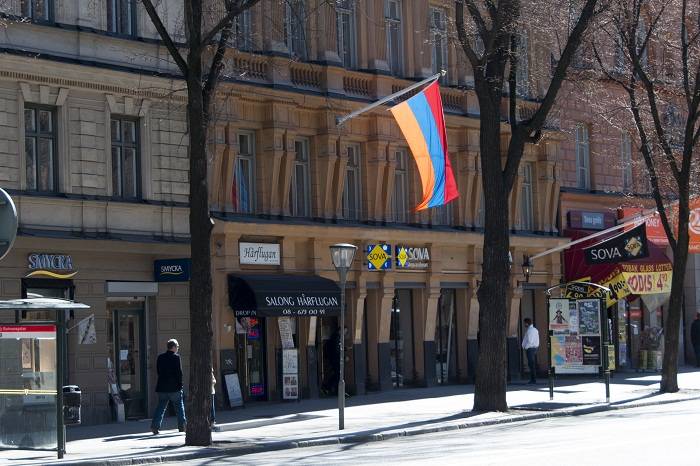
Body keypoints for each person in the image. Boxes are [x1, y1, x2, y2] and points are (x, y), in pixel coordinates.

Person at [151, 339, 186, 435]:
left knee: (160, 407)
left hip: (162, 387)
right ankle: (182, 426)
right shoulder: (176, 357)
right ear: (173, 347)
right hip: (174, 387)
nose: (178, 348)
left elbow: (158, 371)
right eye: (177, 347)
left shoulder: (160, 357)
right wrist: (180, 385)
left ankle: (155, 426)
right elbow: (179, 373)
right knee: (179, 407)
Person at [522, 318, 540, 384]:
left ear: (527, 323)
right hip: (532, 348)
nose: (524, 324)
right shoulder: (533, 330)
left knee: (531, 364)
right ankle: (533, 379)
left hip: (530, 349)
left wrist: (526, 347)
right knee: (531, 364)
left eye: (524, 323)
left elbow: (530, 341)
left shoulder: (531, 330)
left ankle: (533, 379)